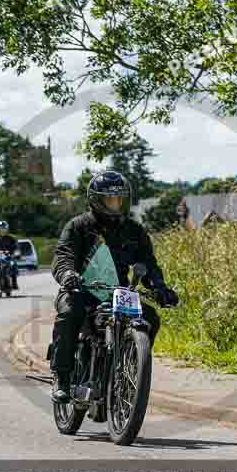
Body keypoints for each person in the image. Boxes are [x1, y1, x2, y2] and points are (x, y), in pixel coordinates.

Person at [49, 171, 179, 403]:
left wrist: (160, 288)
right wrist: (68, 274)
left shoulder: (135, 231)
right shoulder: (78, 226)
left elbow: (149, 264)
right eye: (110, 199)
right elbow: (63, 255)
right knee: (69, 312)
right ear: (96, 200)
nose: (116, 204)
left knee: (150, 317)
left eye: (120, 199)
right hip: (80, 289)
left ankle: (131, 370)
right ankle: (63, 377)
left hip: (116, 294)